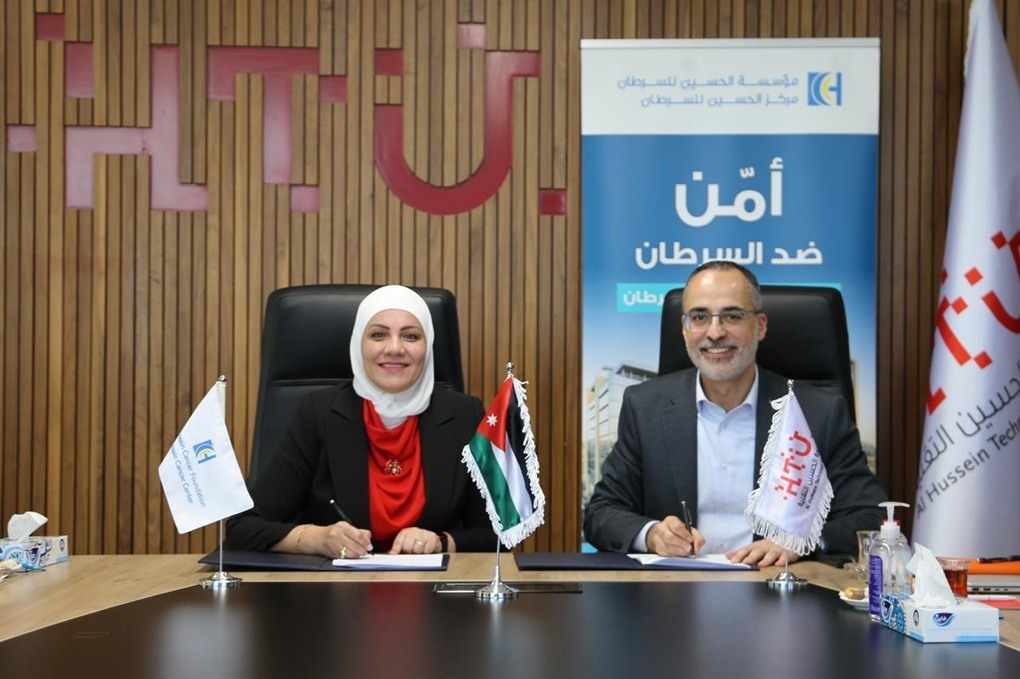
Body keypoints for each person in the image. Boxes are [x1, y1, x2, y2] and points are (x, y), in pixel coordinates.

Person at [583, 261, 886, 566]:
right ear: (685, 329)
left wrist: (801, 541)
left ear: (760, 326)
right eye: (699, 317)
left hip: (777, 587)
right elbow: (601, 513)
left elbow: (871, 517)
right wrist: (651, 535)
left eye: (732, 316)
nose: (715, 332)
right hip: (675, 589)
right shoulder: (644, 407)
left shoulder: (816, 413)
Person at [227, 285, 496, 557]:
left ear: (428, 346)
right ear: (358, 344)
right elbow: (243, 527)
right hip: (335, 583)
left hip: (433, 583)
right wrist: (316, 539)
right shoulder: (317, 414)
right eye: (378, 335)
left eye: (410, 336)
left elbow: (499, 532)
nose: (394, 348)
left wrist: (441, 542)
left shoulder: (465, 415)